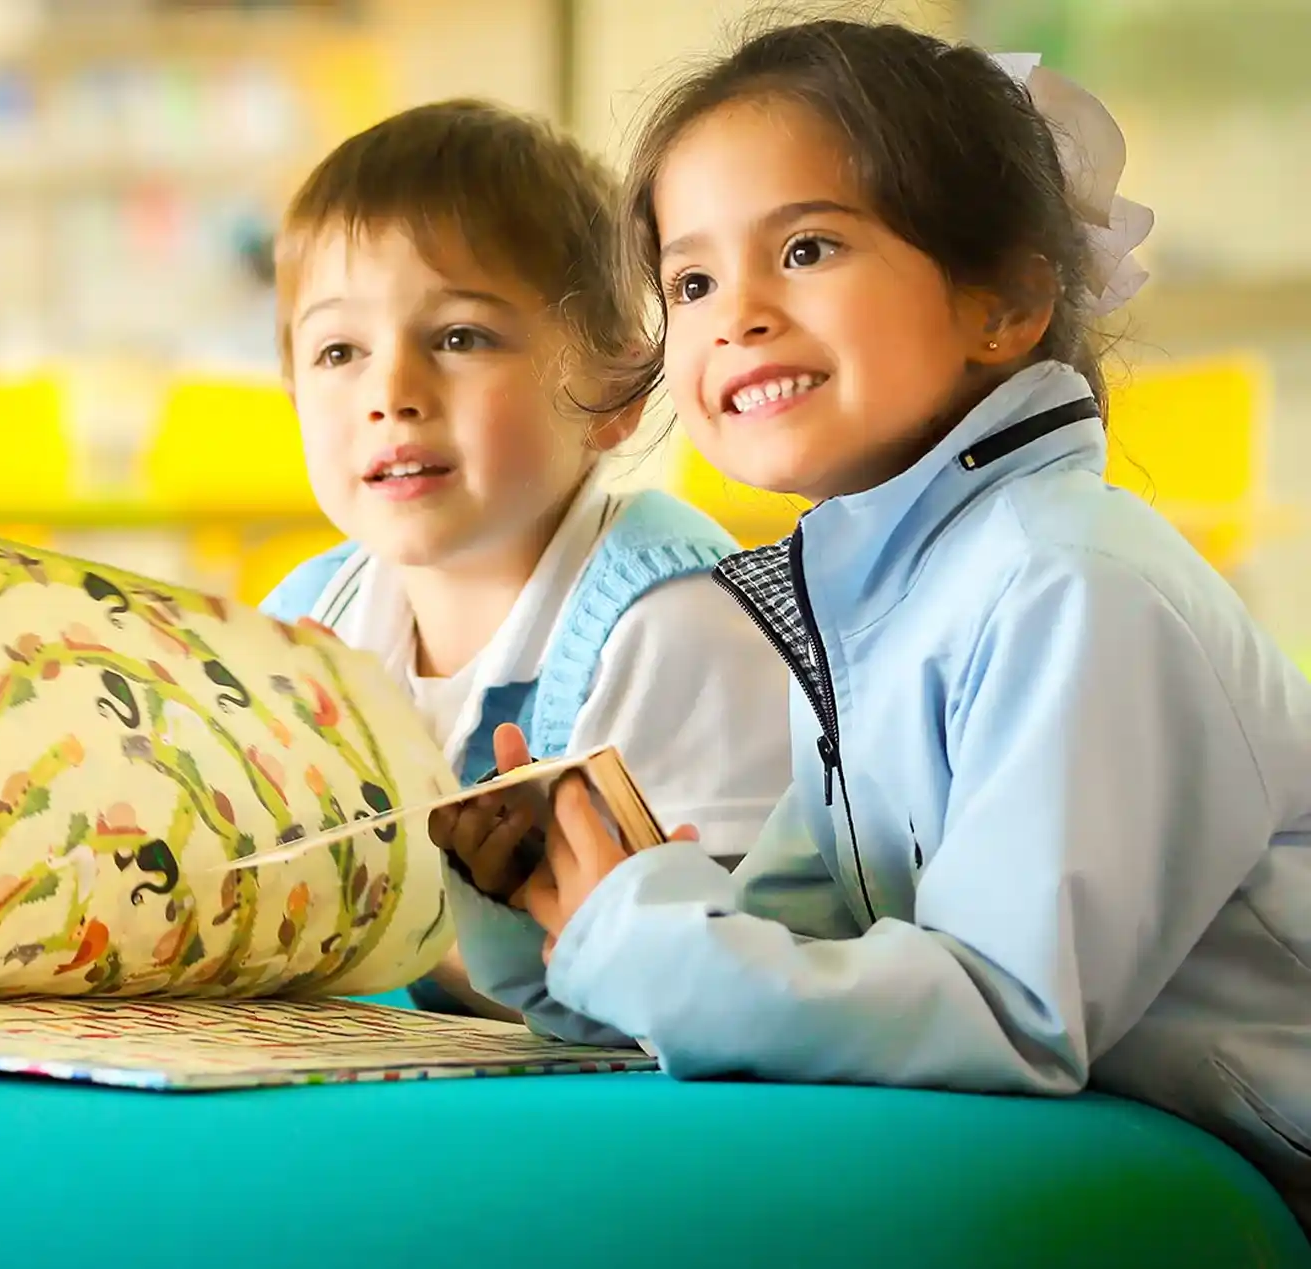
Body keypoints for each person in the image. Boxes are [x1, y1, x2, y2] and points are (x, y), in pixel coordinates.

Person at [440, 21, 1311, 1233]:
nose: (734, 313)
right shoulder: (872, 600)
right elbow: (823, 947)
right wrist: (582, 911)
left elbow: (1009, 1016)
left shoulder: (1067, 587)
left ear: (1001, 303)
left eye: (805, 248)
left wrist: (657, 946)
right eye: (690, 281)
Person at [258, 99, 792, 1017]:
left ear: (614, 392)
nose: (391, 393)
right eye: (339, 349)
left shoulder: (678, 620)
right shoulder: (303, 621)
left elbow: (727, 988)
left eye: (460, 338)